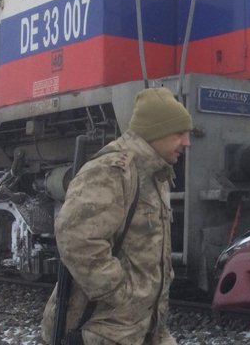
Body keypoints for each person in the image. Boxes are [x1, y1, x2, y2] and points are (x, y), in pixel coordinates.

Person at [41, 87, 192, 344]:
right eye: (179, 133)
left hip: (139, 331)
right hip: (103, 332)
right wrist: (123, 294)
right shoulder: (112, 171)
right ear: (156, 130)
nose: (187, 142)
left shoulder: (155, 175)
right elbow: (77, 240)